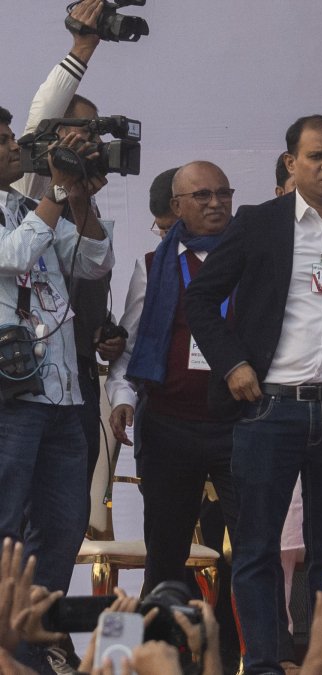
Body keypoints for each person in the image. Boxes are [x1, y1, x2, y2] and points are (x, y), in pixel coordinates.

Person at [184, 114, 322, 675]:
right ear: (291, 163)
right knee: (256, 550)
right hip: (270, 408)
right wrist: (232, 364)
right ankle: (266, 664)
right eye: (316, 156)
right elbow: (201, 300)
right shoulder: (258, 224)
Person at [0, 105, 114, 670]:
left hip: (65, 398)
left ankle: (30, 646)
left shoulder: (29, 206)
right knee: (4, 530)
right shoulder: (30, 215)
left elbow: (92, 263)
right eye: (0, 141)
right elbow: (16, 254)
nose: (11, 148)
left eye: (9, 138)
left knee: (64, 526)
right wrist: (58, 188)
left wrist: (80, 197)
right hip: (11, 402)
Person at [105, 160, 240, 593]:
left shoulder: (254, 258)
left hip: (239, 426)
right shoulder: (154, 265)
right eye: (203, 196)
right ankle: (157, 655)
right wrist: (123, 396)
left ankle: (254, 657)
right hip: (169, 426)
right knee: (165, 554)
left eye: (224, 193)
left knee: (255, 550)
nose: (216, 203)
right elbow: (131, 346)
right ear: (177, 206)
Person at [14, 0, 125, 486]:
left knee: (65, 519)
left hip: (72, 381)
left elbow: (94, 267)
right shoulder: (26, 188)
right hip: (17, 381)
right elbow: (42, 116)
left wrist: (106, 329)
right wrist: (83, 47)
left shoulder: (82, 199)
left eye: (94, 136)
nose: (88, 145)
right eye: (78, 134)